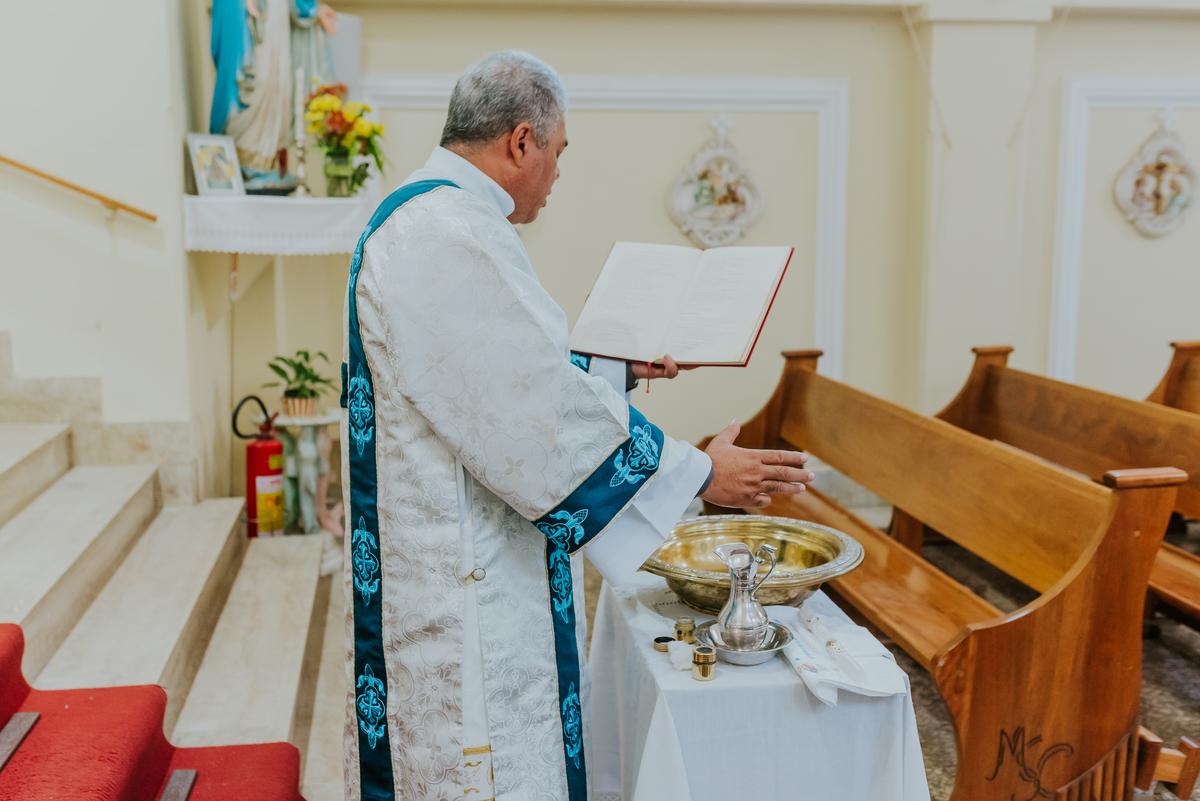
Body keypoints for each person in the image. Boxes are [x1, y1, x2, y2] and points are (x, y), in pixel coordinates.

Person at [340, 50, 814, 801]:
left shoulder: (437, 219)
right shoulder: (446, 233)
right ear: (521, 141)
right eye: (558, 154)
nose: (558, 175)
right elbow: (525, 411)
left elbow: (495, 372)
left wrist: (616, 369)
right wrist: (700, 472)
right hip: (459, 591)